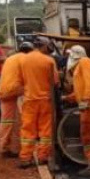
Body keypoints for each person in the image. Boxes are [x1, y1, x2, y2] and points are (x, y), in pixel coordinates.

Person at [63, 46, 90, 177]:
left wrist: (86, 99)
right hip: (87, 106)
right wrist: (68, 98)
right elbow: (82, 87)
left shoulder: (85, 62)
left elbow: (89, 83)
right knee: (87, 134)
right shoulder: (81, 65)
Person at [18, 37, 59, 168]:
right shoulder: (49, 60)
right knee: (45, 130)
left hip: (29, 100)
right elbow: (55, 82)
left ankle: (25, 158)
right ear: (44, 46)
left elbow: (21, 80)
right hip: (45, 100)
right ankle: (43, 157)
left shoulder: (23, 59)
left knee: (27, 130)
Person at [0, 41, 33, 158]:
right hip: (16, 89)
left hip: (3, 90)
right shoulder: (25, 59)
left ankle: (4, 148)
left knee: (6, 120)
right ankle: (28, 145)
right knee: (28, 114)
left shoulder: (10, 58)